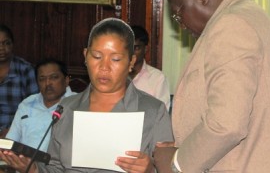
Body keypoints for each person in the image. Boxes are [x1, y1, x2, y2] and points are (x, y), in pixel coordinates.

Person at [153, 0, 270, 173]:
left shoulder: (231, 27)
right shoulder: (250, 14)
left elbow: (227, 124)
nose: (181, 25)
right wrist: (183, 148)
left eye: (178, 14)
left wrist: (177, 163)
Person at [0, 18, 173, 173]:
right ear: (85, 56)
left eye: (115, 59)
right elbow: (56, 167)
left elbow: (168, 169)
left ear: (131, 62)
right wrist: (33, 169)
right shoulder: (66, 108)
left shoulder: (153, 111)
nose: (104, 67)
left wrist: (150, 170)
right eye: (97, 56)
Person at [5, 58, 76, 152]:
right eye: (42, 79)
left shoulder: (78, 104)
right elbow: (11, 141)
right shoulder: (27, 104)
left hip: (57, 165)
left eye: (54, 77)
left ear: (66, 80)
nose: (48, 83)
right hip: (23, 162)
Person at [0, 24, 39, 138]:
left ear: (12, 45)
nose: (2, 48)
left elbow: (34, 108)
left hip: (17, 132)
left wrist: (13, 130)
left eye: (6, 43)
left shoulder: (26, 70)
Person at [129, 25, 171, 111]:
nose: (132, 52)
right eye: (128, 47)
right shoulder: (115, 75)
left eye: (136, 48)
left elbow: (163, 112)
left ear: (145, 49)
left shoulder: (157, 78)